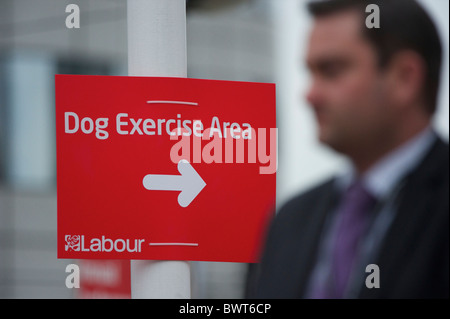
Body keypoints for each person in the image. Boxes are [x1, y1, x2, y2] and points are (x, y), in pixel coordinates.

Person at [247, 0, 448, 299]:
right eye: (310, 72)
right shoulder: (290, 220)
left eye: (332, 71)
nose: (310, 95)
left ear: (405, 77)